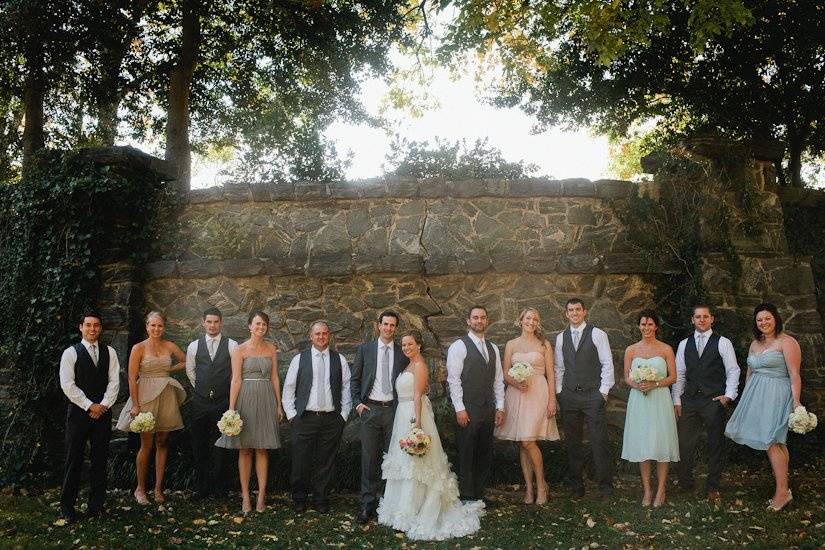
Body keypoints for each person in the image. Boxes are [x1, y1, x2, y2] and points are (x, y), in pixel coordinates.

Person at [378, 330, 485, 540]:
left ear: (419, 345)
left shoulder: (420, 366)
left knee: (418, 462)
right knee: (405, 462)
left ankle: (416, 510)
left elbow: (418, 396)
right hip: (402, 413)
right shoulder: (408, 365)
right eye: (404, 345)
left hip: (413, 415)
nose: (406, 348)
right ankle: (401, 511)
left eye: (410, 344)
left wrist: (417, 425)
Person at [725, 303, 802, 511]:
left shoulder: (787, 342)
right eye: (759, 320)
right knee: (777, 441)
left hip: (777, 394)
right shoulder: (755, 344)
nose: (763, 323)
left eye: (767, 318)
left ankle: (781, 493)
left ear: (776, 318)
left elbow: (794, 374)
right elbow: (749, 372)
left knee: (771, 441)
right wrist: (748, 398)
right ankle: (784, 490)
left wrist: (796, 402)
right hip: (757, 396)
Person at [215, 311, 283, 513]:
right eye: (257, 324)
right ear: (249, 326)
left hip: (266, 398)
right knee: (244, 449)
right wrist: (231, 408)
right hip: (245, 398)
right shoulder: (239, 349)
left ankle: (261, 497)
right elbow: (235, 379)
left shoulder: (271, 348)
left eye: (264, 325)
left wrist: (279, 404)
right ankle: (245, 497)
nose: (260, 327)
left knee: (262, 448)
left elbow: (275, 378)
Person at [116, 311, 187, 505]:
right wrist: (136, 404)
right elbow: (131, 377)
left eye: (160, 326)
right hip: (145, 394)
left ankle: (158, 489)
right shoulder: (138, 348)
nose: (156, 329)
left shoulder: (169, 345)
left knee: (163, 441)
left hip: (165, 393)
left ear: (164, 327)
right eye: (152, 325)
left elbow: (185, 361)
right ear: (147, 326)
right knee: (146, 443)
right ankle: (140, 489)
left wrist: (168, 370)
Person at [672, 304, 740, 502]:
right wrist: (677, 400)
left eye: (705, 316)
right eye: (698, 317)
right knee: (685, 443)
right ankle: (685, 483)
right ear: (692, 320)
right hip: (689, 400)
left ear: (712, 319)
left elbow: (733, 370)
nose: (701, 320)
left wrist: (728, 395)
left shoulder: (723, 342)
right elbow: (680, 374)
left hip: (713, 399)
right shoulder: (684, 344)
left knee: (715, 443)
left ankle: (713, 486)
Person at [282, 320, 351, 513]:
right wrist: (292, 416)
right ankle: (299, 499)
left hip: (331, 419)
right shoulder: (299, 359)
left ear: (329, 336)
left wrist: (343, 415)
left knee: (325, 462)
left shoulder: (340, 360)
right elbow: (288, 388)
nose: (321, 337)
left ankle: (321, 499)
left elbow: (346, 388)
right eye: (317, 334)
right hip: (304, 418)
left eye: (324, 333)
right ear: (311, 336)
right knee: (300, 461)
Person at [58, 311, 120, 524]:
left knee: (100, 460)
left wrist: (102, 405)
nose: (92, 329)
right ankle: (67, 508)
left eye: (96, 325)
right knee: (73, 459)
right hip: (78, 413)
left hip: (102, 414)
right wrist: (88, 405)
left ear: (100, 328)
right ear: (81, 327)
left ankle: (96, 506)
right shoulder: (70, 353)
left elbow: (114, 382)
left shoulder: (110, 352)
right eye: (88, 325)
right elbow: (67, 384)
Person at [494, 307, 559, 505]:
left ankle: (541, 485)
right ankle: (529, 489)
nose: (531, 322)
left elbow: (551, 374)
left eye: (535, 319)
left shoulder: (544, 344)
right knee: (523, 441)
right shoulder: (511, 344)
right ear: (521, 320)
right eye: (528, 318)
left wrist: (552, 400)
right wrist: (515, 382)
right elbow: (505, 373)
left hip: (538, 393)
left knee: (528, 441)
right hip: (517, 394)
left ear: (538, 323)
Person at [350, 310, 409, 524]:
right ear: (378, 325)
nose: (388, 328)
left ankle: (388, 505)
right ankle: (367, 506)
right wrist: (357, 404)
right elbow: (354, 380)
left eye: (393, 325)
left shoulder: (402, 354)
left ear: (396, 328)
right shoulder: (365, 350)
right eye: (385, 324)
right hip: (370, 411)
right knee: (369, 459)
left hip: (393, 411)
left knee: (392, 459)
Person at [554, 298, 615, 500]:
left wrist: (603, 392)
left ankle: (605, 488)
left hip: (592, 396)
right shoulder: (561, 338)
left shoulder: (597, 334)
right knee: (573, 443)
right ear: (566, 313)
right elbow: (559, 367)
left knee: (599, 442)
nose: (574, 313)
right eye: (570, 310)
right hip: (569, 396)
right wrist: (560, 392)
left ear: (584, 311)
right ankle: (576, 487)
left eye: (577, 309)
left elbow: (607, 363)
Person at [446, 305, 505, 504]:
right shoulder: (459, 346)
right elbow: (453, 380)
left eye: (482, 317)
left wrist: (500, 407)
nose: (479, 321)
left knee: (484, 452)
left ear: (487, 321)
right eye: (475, 318)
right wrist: (460, 409)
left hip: (488, 408)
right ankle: (467, 495)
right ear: (468, 321)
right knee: (466, 452)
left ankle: (480, 494)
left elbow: (498, 380)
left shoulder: (493, 348)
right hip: (468, 408)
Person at [621, 309, 679, 507]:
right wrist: (636, 384)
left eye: (650, 324)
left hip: (659, 399)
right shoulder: (631, 350)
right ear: (639, 326)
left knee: (661, 442)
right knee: (642, 442)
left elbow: (673, 377)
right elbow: (627, 376)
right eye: (643, 324)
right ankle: (647, 489)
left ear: (656, 326)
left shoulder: (665, 349)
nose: (646, 327)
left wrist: (655, 384)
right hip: (639, 400)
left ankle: (661, 489)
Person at [185, 307, 238, 500]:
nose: (212, 325)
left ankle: (220, 489)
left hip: (222, 402)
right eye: (209, 322)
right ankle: (201, 489)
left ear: (221, 323)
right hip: (200, 402)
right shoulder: (194, 346)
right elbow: (190, 371)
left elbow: (235, 374)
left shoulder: (232, 345)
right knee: (199, 446)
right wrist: (202, 388)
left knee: (222, 446)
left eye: (216, 322)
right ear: (203, 322)